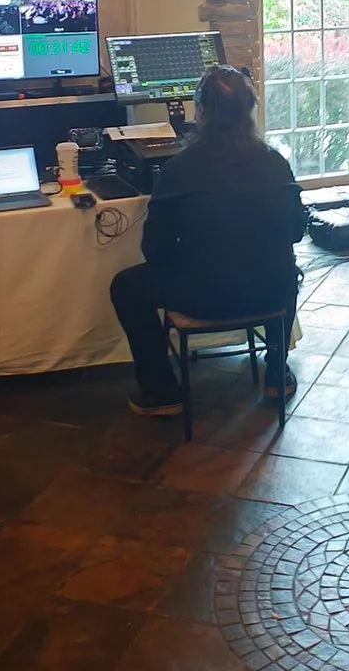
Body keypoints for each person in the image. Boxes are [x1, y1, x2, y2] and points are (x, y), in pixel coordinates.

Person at [110, 66, 309, 416]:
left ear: (199, 110)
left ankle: (161, 389)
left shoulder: (180, 168)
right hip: (268, 292)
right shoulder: (276, 163)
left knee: (126, 286)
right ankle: (277, 369)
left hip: (204, 299)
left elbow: (154, 249)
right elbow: (295, 233)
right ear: (249, 110)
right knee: (286, 268)